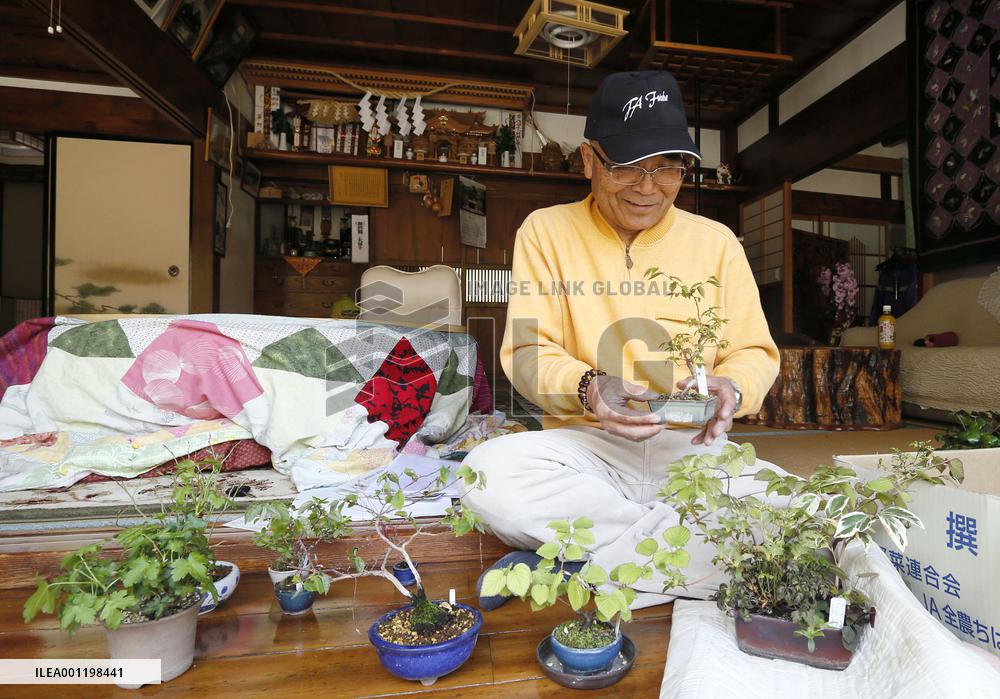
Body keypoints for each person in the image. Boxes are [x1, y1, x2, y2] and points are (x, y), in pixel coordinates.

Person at [460, 70, 785, 610]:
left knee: (798, 511)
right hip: (587, 451)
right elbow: (526, 351)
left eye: (667, 167)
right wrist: (589, 386)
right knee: (485, 475)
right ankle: (678, 555)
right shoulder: (546, 231)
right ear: (588, 160)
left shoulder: (718, 244)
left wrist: (734, 386)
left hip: (693, 453)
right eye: (628, 166)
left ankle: (575, 563)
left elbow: (754, 351)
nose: (647, 186)